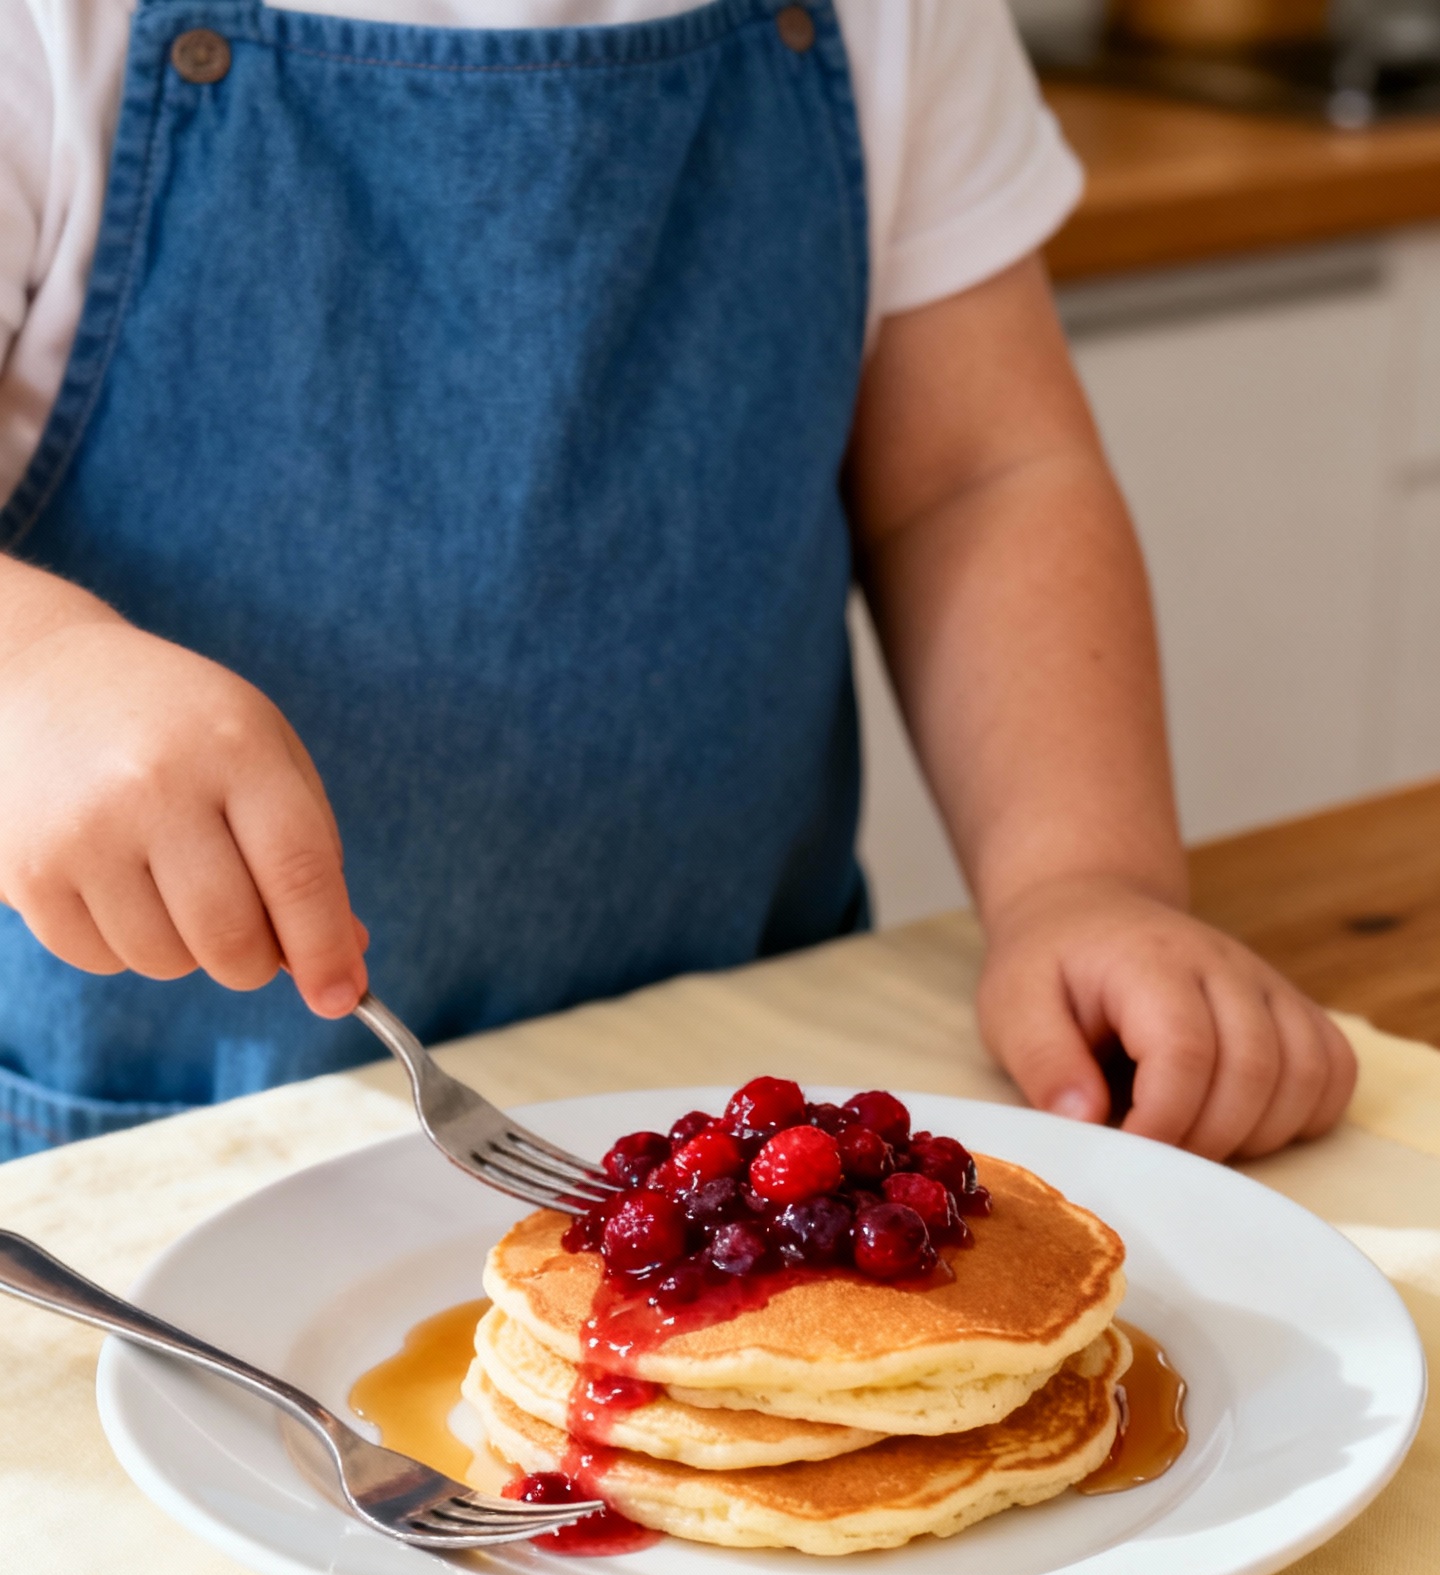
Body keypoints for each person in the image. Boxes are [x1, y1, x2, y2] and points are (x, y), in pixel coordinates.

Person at [0, 0, 1354, 1164]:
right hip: (155, 1147)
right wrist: (36, 674)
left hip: (751, 1100)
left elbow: (983, 481)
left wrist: (1085, 879)